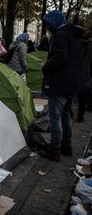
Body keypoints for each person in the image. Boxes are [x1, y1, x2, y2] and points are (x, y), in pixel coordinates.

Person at [38, 10, 87, 162]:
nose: (47, 28)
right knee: (66, 115)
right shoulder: (72, 35)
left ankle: (54, 150)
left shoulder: (60, 35)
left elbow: (60, 57)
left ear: (54, 22)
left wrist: (46, 67)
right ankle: (67, 146)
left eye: (48, 24)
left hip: (61, 84)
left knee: (55, 117)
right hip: (72, 84)